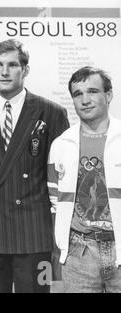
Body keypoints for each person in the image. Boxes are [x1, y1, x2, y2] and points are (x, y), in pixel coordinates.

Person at [0, 39, 69, 293]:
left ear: (26, 70)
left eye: (12, 65)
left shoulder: (51, 112)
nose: (4, 71)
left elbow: (62, 179)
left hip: (33, 231)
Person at [48, 66, 121, 292]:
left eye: (92, 91)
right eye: (78, 94)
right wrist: (62, 246)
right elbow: (54, 200)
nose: (85, 99)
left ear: (108, 95)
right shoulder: (61, 144)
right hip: (79, 253)